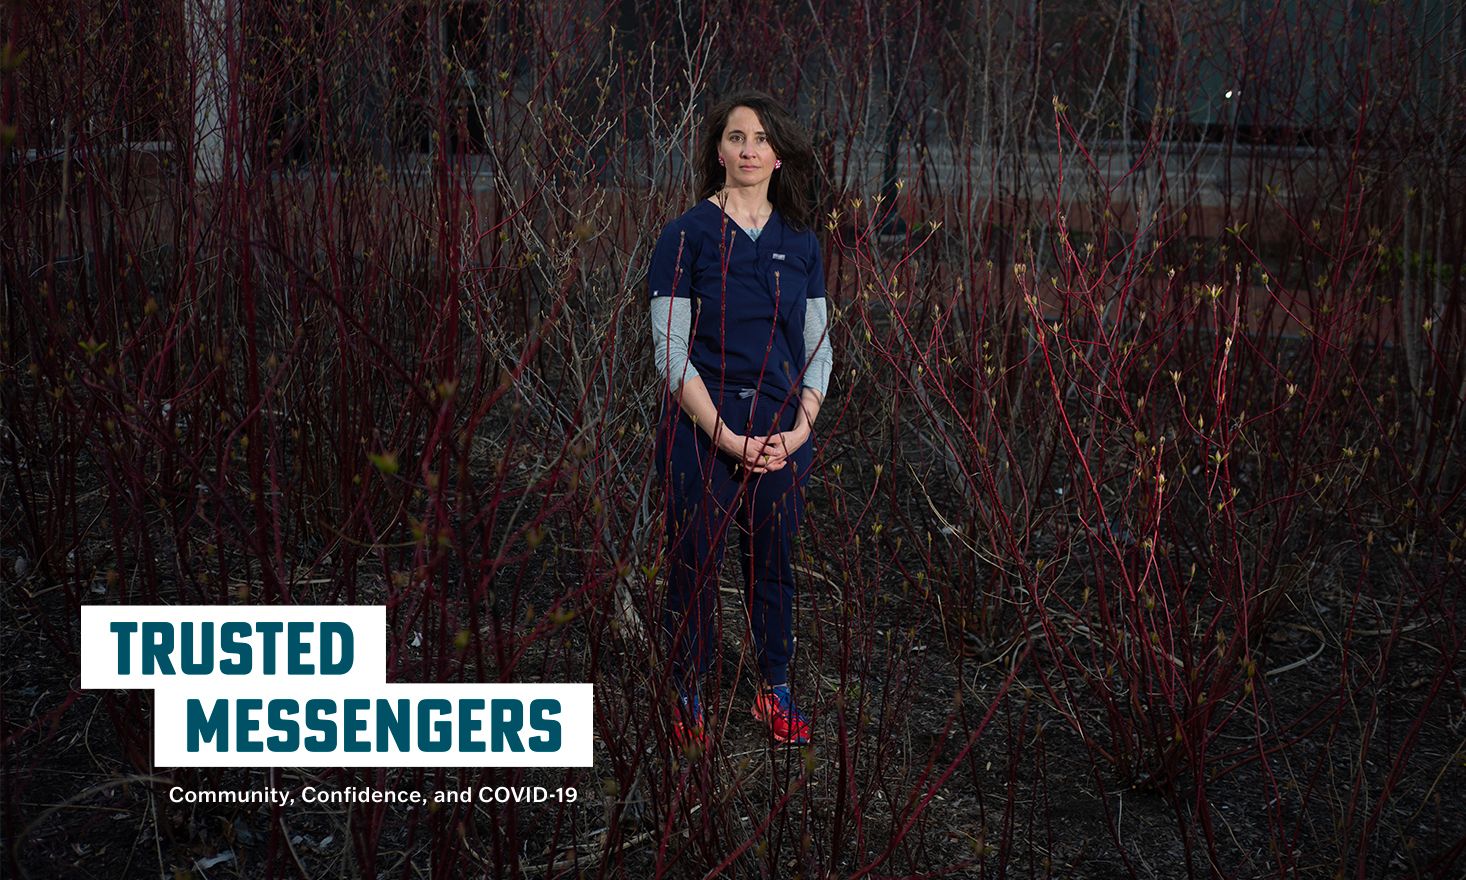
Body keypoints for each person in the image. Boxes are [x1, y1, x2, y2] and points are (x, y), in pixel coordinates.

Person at [647, 90, 833, 748]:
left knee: (773, 559)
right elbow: (670, 351)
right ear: (717, 151)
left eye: (759, 138)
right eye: (735, 137)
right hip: (705, 425)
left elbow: (818, 345)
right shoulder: (685, 235)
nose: (748, 149)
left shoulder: (800, 242)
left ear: (779, 155)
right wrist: (723, 435)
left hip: (783, 430)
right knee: (694, 556)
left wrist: (800, 429)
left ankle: (773, 690)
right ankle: (690, 694)